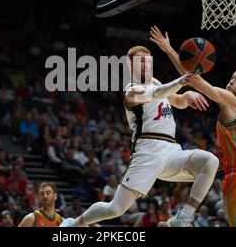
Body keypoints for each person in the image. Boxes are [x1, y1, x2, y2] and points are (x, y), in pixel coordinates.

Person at [61, 45, 219, 227]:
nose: (145, 64)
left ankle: (182, 217)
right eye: (141, 61)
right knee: (115, 209)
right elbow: (159, 94)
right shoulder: (131, 91)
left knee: (210, 161)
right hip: (147, 153)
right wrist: (181, 82)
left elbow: (176, 101)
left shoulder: (157, 82)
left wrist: (187, 96)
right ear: (130, 65)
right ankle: (75, 224)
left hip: (171, 150)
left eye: (148, 60)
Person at [150, 26, 236, 227]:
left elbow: (194, 80)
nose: (231, 80)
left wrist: (169, 50)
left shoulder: (233, 101)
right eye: (232, 76)